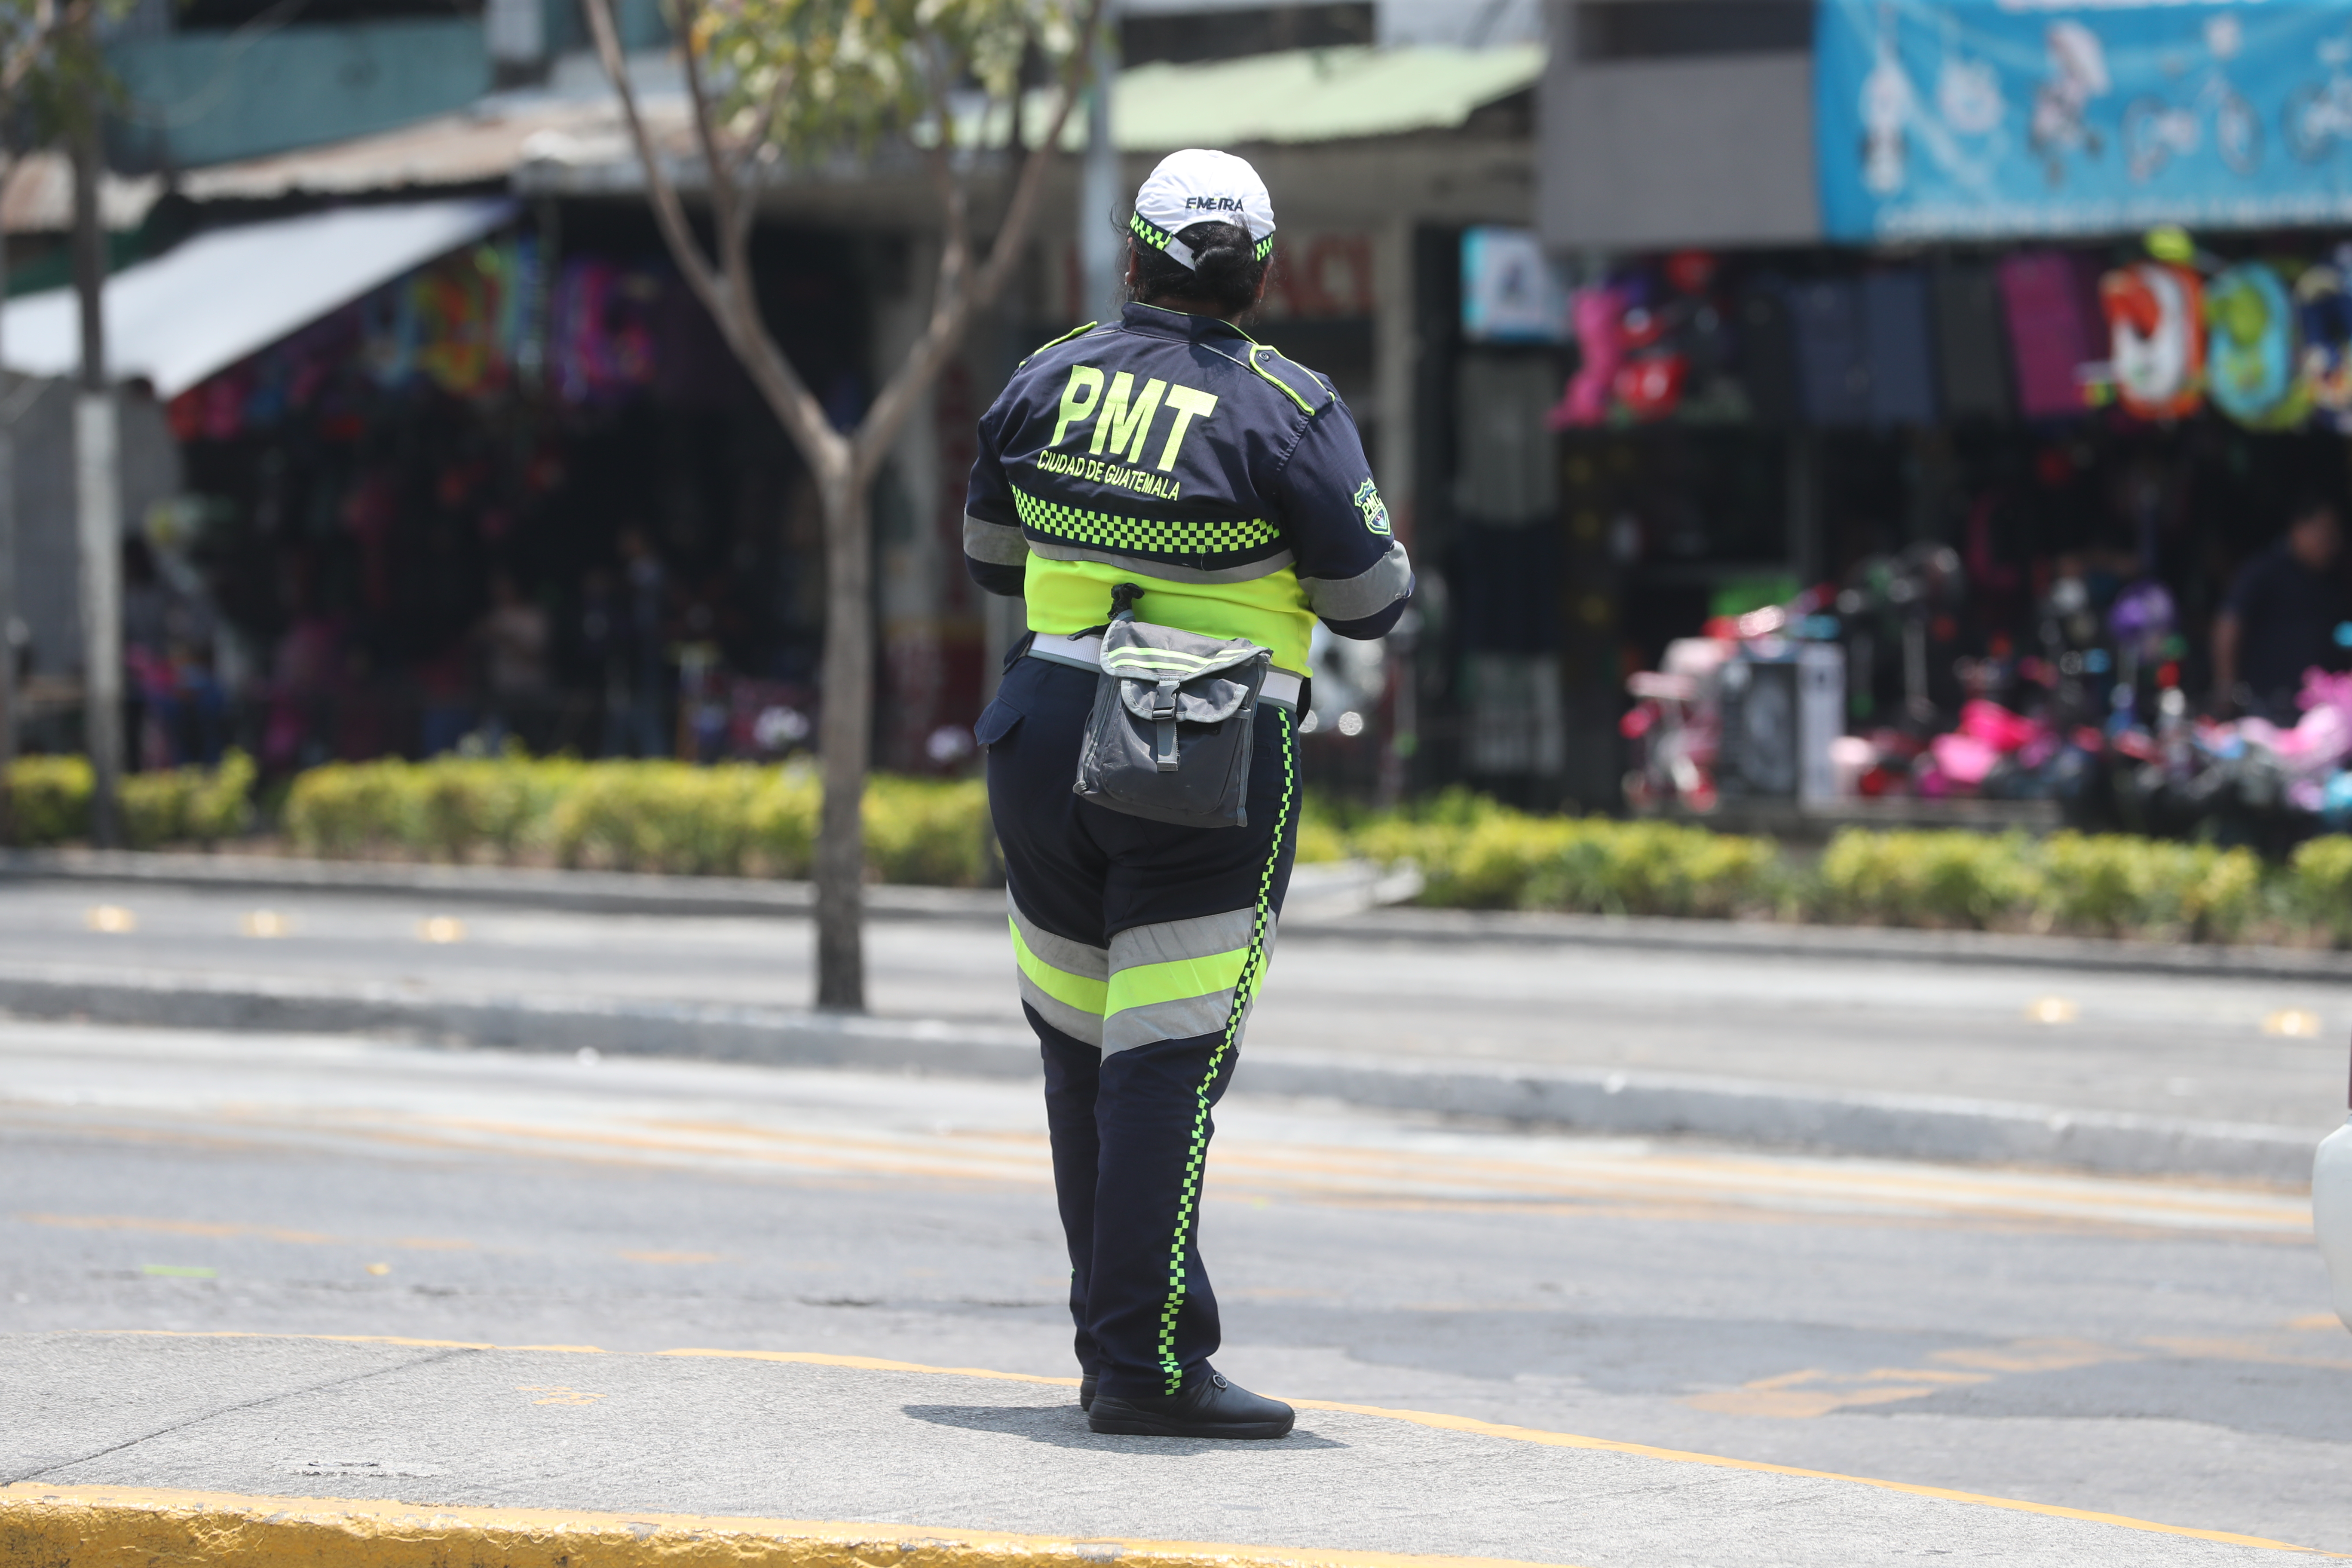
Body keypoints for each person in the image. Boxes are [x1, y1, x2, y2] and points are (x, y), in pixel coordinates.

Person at [962, 149, 1413, 1440]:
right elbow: (1374, 604)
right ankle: (1146, 1366)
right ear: (1259, 273)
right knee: (1165, 1065)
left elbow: (992, 552)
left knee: (1081, 1054)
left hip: (1042, 726)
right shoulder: (1291, 406)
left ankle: (1119, 1346)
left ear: (1135, 256)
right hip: (1199, 747)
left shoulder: (1046, 374)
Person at [2213, 495, 2348, 723]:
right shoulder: (2263, 571)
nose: (2331, 544)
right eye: (2324, 533)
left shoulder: (2333, 579)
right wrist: (2227, 689)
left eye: (2335, 535)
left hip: (2318, 712)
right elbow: (2229, 626)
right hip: (2265, 708)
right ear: (2299, 528)